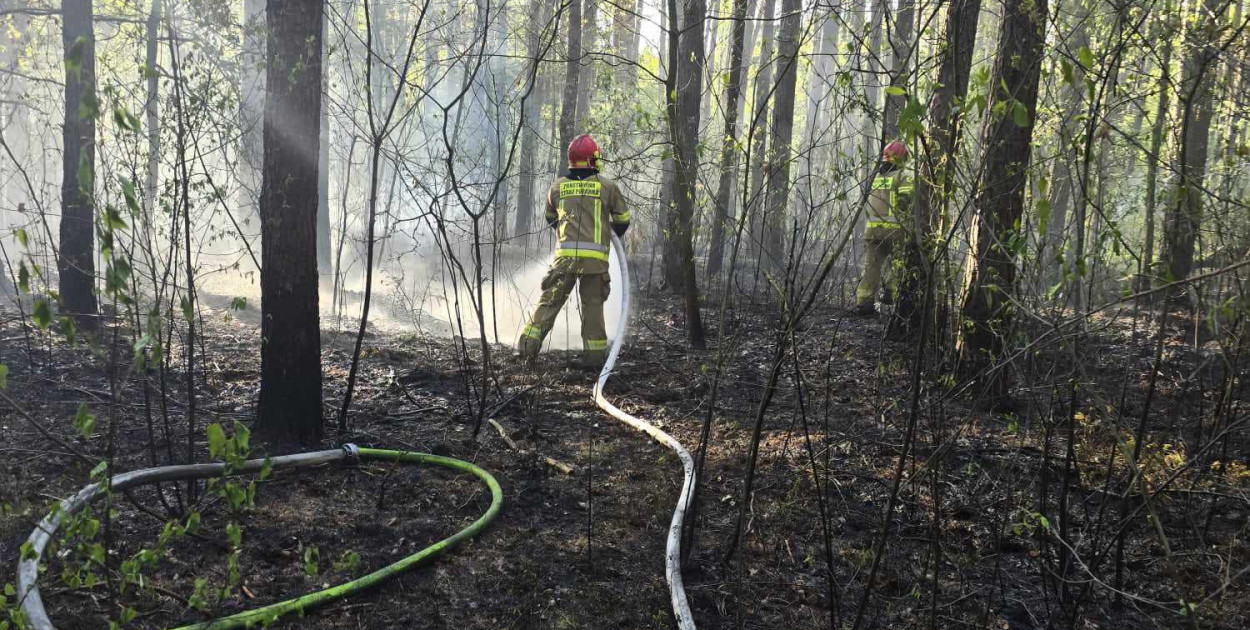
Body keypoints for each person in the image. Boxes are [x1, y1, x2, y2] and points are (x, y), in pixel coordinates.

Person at [517, 134, 631, 366]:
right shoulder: (607, 187)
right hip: (595, 263)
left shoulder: (557, 187)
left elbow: (551, 219)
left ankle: (527, 349)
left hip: (564, 260)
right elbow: (622, 220)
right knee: (593, 309)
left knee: (549, 301)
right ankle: (594, 360)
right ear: (592, 159)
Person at [853, 140, 912, 315]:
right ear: (902, 158)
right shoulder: (903, 176)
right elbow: (906, 203)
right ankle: (890, 298)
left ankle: (864, 304)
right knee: (896, 267)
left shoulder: (875, 177)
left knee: (871, 269)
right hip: (895, 232)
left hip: (872, 232)